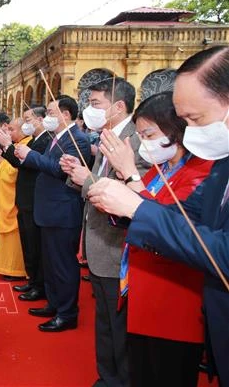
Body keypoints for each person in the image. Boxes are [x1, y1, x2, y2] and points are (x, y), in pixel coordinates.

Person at [88, 46, 229, 386]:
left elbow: (220, 249)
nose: (191, 130)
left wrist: (134, 201)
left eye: (195, 119)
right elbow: (183, 217)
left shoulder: (206, 164)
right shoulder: (223, 163)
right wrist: (124, 207)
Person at [62, 77, 149, 387]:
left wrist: (86, 179)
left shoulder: (134, 141)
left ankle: (120, 379)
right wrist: (78, 176)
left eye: (96, 103)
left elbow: (128, 197)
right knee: (105, 322)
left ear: (119, 106)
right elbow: (95, 183)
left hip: (117, 248)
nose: (89, 109)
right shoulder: (108, 135)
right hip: (98, 246)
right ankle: (107, 376)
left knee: (119, 325)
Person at [14, 95, 91, 332]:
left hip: (63, 211)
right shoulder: (57, 138)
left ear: (65, 114)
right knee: (51, 261)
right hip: (48, 210)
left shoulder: (77, 140)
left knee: (63, 264)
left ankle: (67, 313)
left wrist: (31, 156)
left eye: (50, 112)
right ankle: (55, 303)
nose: (46, 117)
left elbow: (61, 171)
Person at [0, 106, 49, 301]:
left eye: (28, 119)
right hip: (25, 199)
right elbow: (20, 162)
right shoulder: (35, 140)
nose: (26, 123)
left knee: (35, 245)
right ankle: (32, 279)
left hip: (35, 199)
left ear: (40, 120)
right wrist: (8, 148)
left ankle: (38, 284)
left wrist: (8, 146)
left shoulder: (46, 140)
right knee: (28, 244)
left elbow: (27, 163)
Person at [0, 117, 28, 280]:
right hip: (4, 198)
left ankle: (16, 269)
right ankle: (4, 266)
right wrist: (1, 162)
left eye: (12, 129)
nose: (9, 132)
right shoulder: (19, 144)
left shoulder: (25, 145)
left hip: (13, 199)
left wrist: (2, 161)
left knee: (14, 235)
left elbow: (14, 173)